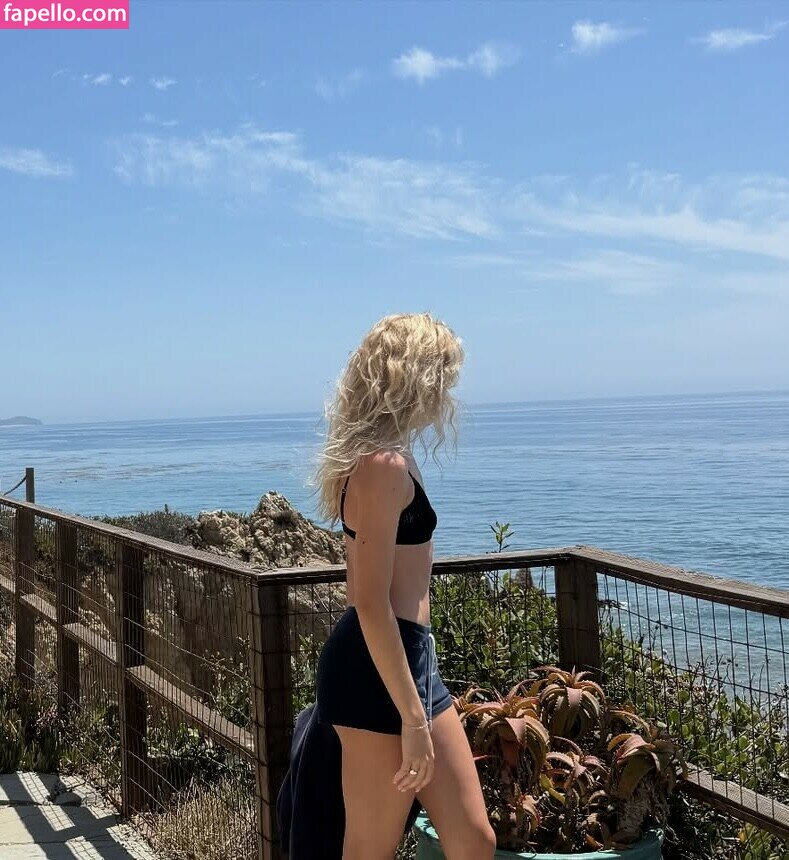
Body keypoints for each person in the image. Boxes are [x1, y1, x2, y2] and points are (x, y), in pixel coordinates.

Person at [278, 312, 496, 859]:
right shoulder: (381, 465)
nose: (447, 392)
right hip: (377, 666)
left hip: (409, 658)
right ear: (417, 377)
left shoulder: (387, 455)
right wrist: (413, 718)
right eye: (443, 375)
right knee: (369, 849)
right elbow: (369, 600)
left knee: (474, 840)